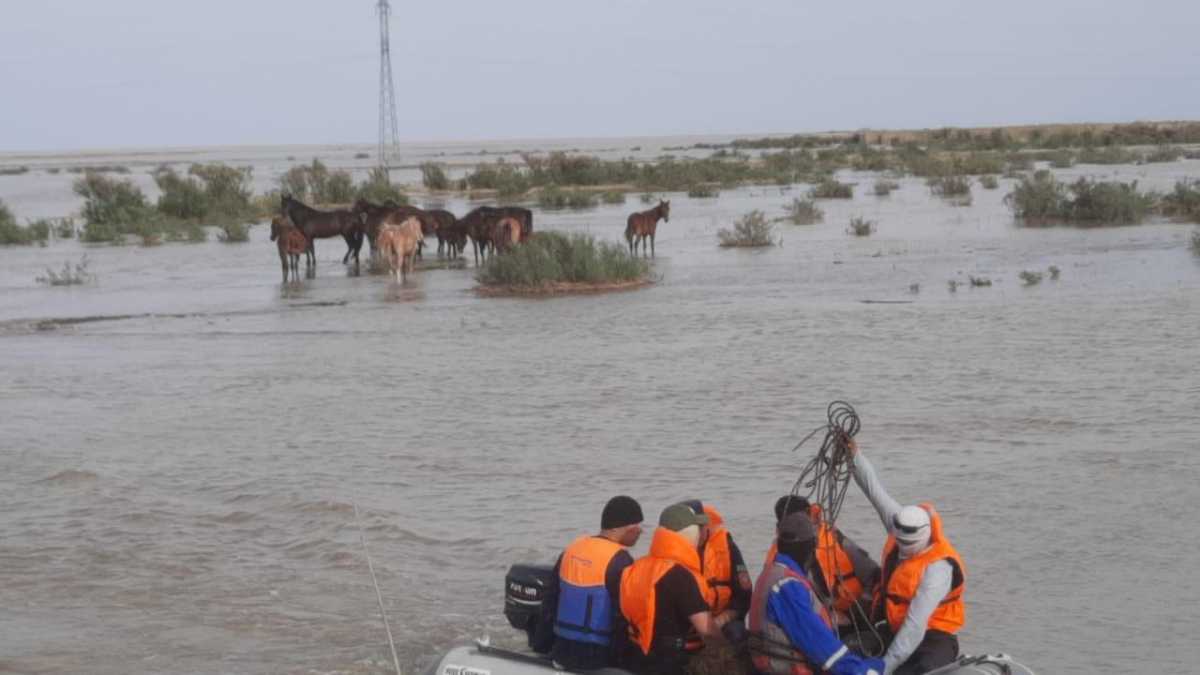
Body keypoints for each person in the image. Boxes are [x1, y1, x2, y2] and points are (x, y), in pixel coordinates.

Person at [847, 439, 966, 675]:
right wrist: (854, 457)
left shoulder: (939, 568)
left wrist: (885, 666)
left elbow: (915, 625)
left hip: (934, 636)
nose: (902, 549)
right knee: (848, 651)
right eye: (899, 542)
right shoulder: (899, 523)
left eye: (909, 546)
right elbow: (875, 490)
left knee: (916, 670)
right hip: (893, 628)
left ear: (925, 536)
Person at [749, 512, 884, 675]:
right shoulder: (787, 586)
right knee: (874, 661)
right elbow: (816, 642)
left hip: (775, 662)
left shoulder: (770, 574)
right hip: (787, 668)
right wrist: (863, 671)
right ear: (809, 548)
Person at [532, 495, 644, 670]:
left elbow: (550, 601)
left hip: (562, 649)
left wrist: (540, 646)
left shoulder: (572, 549)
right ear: (625, 527)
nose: (640, 531)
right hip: (597, 656)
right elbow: (622, 618)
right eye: (638, 525)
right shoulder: (621, 560)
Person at [620, 503, 733, 675]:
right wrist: (730, 654)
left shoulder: (637, 567)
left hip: (637, 657)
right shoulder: (680, 576)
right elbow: (708, 632)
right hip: (673, 663)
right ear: (689, 534)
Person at [767, 495, 879, 626]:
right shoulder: (777, 556)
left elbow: (874, 576)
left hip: (855, 613)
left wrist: (857, 610)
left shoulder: (836, 540)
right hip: (817, 619)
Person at [682, 500, 752, 675]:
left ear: (706, 526)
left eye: (699, 527)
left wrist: (721, 620)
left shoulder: (727, 547)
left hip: (722, 619)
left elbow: (744, 596)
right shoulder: (674, 552)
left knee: (737, 633)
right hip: (686, 624)